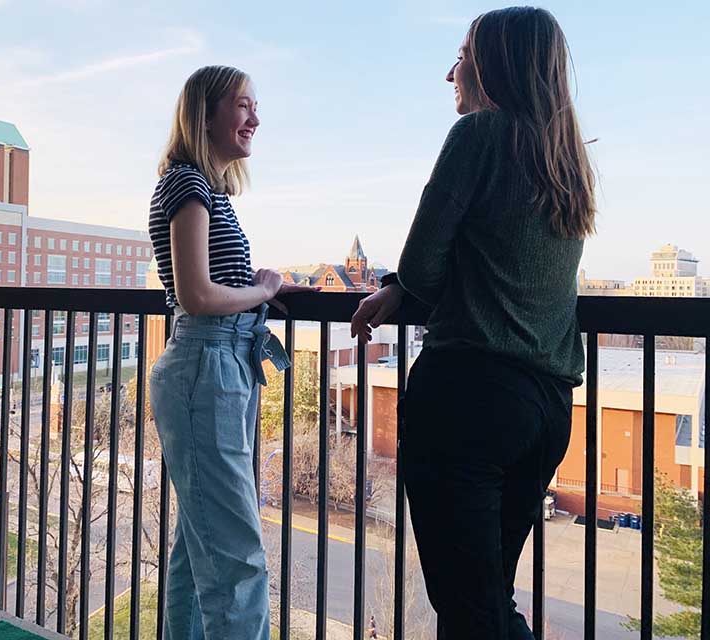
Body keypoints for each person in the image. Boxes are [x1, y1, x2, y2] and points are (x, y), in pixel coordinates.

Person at [351, 7, 595, 639]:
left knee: (470, 610)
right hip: (545, 409)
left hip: (469, 401)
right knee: (487, 599)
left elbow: (421, 268)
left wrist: (403, 288)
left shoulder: (480, 135)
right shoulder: (565, 160)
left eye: (462, 55)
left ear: (492, 65)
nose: (450, 72)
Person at [148, 65, 313, 639]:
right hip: (205, 368)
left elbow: (210, 286)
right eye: (242, 105)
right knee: (237, 556)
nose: (254, 118)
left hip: (219, 367)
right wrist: (264, 290)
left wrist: (264, 288)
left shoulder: (206, 189)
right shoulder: (187, 185)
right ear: (206, 114)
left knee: (200, 548)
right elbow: (195, 295)